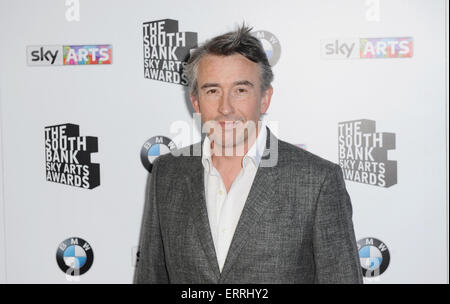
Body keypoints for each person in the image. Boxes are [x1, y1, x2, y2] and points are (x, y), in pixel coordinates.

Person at [134, 25, 363, 284]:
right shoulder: (167, 172)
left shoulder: (317, 180)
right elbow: (150, 276)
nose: (225, 107)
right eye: (212, 91)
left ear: (265, 98)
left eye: (240, 90)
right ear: (196, 103)